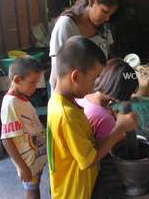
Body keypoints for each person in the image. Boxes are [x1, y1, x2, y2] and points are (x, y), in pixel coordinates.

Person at [47, 36, 137, 199]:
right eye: (94, 78)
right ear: (75, 77)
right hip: (74, 193)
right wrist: (120, 128)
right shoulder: (67, 115)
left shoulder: (62, 101)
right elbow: (88, 161)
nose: (96, 84)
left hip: (80, 186)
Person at [49, 0, 121, 89]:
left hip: (94, 92)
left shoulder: (104, 27)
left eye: (110, 14)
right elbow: (58, 69)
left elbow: (108, 56)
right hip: (70, 94)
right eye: (105, 11)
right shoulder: (66, 25)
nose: (107, 18)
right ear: (92, 2)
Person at [0, 56, 47, 199]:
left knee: (36, 187)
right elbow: (6, 140)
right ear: (17, 80)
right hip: (27, 162)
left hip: (35, 156)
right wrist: (22, 167)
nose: (36, 87)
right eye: (32, 83)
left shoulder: (22, 96)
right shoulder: (11, 104)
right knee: (32, 191)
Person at [76, 58, 138, 141]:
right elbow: (111, 147)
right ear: (122, 92)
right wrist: (121, 127)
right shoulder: (105, 118)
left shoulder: (82, 95)